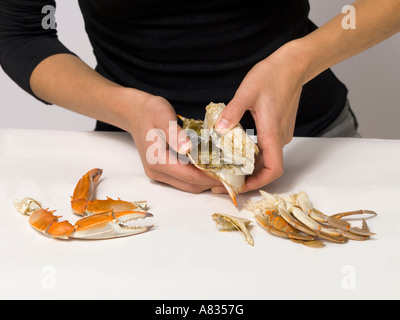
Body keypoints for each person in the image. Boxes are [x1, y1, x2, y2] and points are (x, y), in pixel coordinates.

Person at [1, 0, 399, 195]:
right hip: (138, 164)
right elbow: (19, 32)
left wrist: (299, 62)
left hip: (309, 149)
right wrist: (128, 109)